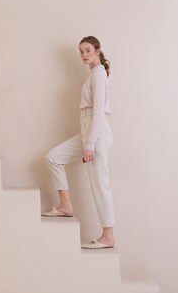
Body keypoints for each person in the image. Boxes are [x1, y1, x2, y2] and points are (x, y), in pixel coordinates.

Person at [42, 36, 115, 249]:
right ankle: (66, 205)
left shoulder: (99, 73)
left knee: (99, 184)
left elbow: (99, 111)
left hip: (97, 133)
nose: (84, 55)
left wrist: (90, 143)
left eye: (88, 50)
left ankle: (108, 236)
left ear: (98, 50)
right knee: (53, 158)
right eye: (81, 51)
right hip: (87, 131)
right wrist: (86, 139)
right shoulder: (93, 74)